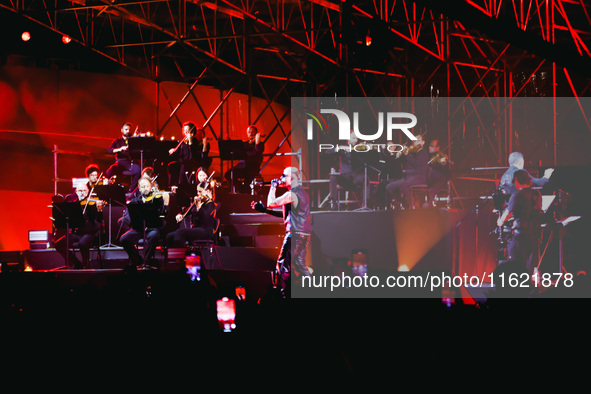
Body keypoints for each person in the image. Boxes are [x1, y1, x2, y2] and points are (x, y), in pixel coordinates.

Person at [251, 167, 312, 298]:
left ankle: (282, 296)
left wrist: (273, 187)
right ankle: (312, 291)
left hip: (294, 234)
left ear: (293, 177)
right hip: (302, 234)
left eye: (284, 175)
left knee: (283, 265)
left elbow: (271, 202)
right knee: (298, 266)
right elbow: (285, 215)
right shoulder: (300, 193)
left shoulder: (293, 194)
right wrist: (264, 211)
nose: (281, 178)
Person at [496, 169, 543, 277]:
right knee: (531, 265)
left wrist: (500, 221)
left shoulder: (517, 195)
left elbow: (506, 215)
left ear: (516, 181)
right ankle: (531, 289)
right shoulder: (537, 194)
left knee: (517, 265)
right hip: (535, 234)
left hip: (521, 235)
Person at [120, 177, 170, 269]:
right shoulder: (135, 201)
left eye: (147, 186)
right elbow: (130, 218)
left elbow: (163, 214)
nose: (145, 188)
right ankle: (137, 260)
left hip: (153, 228)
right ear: (139, 188)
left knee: (153, 236)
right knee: (124, 239)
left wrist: (166, 203)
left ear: (151, 187)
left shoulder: (157, 199)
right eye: (143, 186)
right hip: (139, 229)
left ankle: (146, 262)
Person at [54, 182, 103, 269]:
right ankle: (76, 263)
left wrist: (99, 210)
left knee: (83, 243)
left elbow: (99, 220)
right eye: (80, 191)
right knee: (58, 244)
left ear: (88, 191)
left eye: (84, 190)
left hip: (90, 233)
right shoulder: (73, 205)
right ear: (76, 192)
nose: (82, 192)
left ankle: (86, 265)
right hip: (77, 233)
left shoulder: (92, 204)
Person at [167, 181, 219, 247]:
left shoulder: (211, 204)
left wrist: (199, 207)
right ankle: (171, 255)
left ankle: (180, 255)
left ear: (208, 192)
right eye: (197, 191)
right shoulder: (198, 202)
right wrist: (180, 214)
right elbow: (188, 210)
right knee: (169, 236)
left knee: (180, 232)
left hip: (205, 231)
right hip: (196, 230)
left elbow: (205, 218)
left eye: (200, 192)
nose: (198, 194)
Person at [386, 134, 428, 209]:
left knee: (403, 185)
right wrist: (400, 155)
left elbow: (417, 165)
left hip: (419, 177)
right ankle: (403, 203)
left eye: (418, 140)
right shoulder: (413, 153)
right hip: (410, 177)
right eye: (415, 140)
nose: (416, 142)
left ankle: (412, 205)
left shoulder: (422, 152)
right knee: (390, 187)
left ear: (423, 142)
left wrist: (407, 155)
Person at [327, 132, 366, 210]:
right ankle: (333, 204)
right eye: (354, 138)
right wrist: (338, 148)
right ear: (348, 139)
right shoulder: (343, 147)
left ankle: (365, 204)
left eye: (357, 139)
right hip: (345, 178)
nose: (355, 140)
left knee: (366, 178)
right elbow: (328, 152)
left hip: (355, 179)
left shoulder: (358, 149)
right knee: (333, 178)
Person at [168, 122, 211, 186]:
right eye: (184, 131)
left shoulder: (194, 141)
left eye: (187, 131)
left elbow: (192, 154)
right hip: (184, 166)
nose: (185, 133)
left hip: (192, 166)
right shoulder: (183, 142)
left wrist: (190, 142)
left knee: (191, 184)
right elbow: (178, 153)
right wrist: (173, 150)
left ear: (192, 133)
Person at [224, 125, 265, 193]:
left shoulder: (260, 144)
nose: (251, 134)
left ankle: (244, 191)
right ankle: (242, 188)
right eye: (249, 132)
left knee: (247, 183)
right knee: (228, 174)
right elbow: (236, 150)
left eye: (253, 132)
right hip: (241, 167)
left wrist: (257, 142)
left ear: (256, 133)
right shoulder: (244, 144)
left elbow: (256, 153)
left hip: (252, 167)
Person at [106, 122, 141, 191]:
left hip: (129, 162)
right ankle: (113, 188)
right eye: (126, 129)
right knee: (109, 171)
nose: (128, 131)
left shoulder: (132, 140)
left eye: (129, 130)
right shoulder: (117, 141)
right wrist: (120, 149)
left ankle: (132, 189)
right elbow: (109, 150)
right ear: (122, 130)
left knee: (138, 170)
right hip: (120, 162)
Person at [426, 139, 451, 206]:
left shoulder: (441, 156)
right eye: (429, 146)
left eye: (432, 146)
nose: (429, 147)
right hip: (430, 180)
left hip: (439, 179)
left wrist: (443, 162)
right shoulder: (429, 156)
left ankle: (429, 207)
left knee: (431, 190)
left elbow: (445, 171)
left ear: (437, 148)